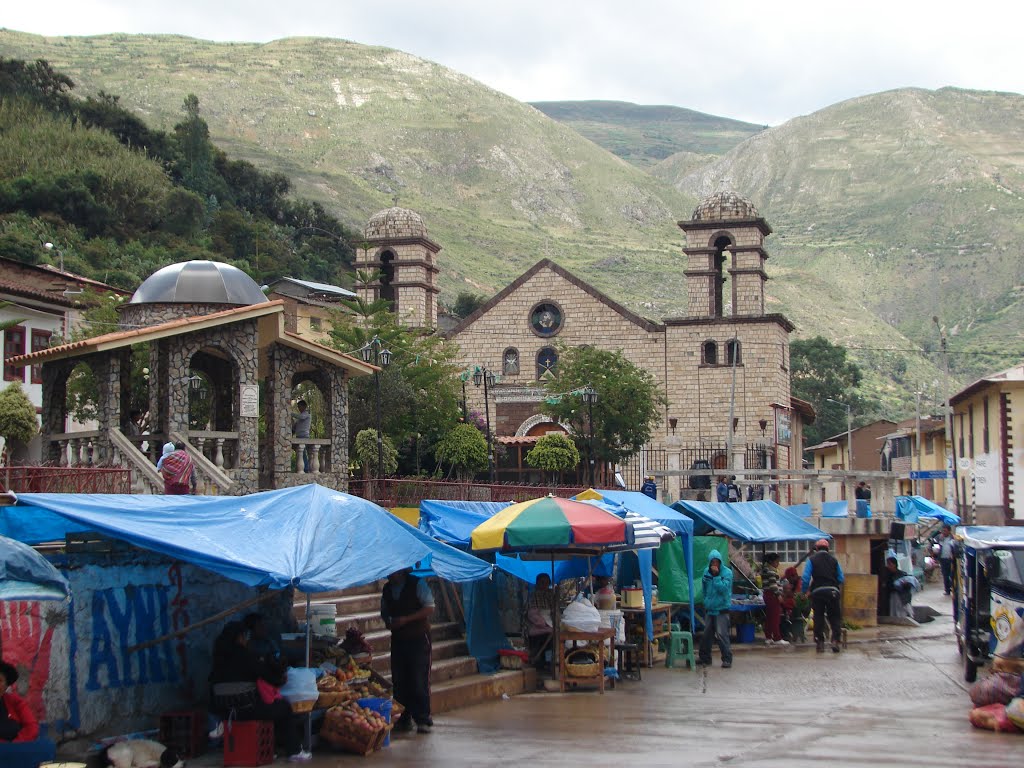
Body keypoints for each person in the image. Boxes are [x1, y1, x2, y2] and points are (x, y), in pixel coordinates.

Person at [209, 621, 307, 761]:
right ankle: (294, 751)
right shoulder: (246, 656)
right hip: (246, 710)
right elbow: (270, 677)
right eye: (245, 636)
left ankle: (267, 748)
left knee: (269, 706)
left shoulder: (218, 659)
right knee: (284, 708)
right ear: (239, 638)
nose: (246, 639)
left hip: (224, 712)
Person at [381, 568, 435, 734]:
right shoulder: (387, 589)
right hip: (398, 639)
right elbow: (384, 612)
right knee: (399, 680)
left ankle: (423, 718)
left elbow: (430, 607)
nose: (391, 575)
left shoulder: (417, 584)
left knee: (419, 679)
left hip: (418, 638)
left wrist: (406, 619)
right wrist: (390, 622)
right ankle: (403, 719)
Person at [802, 539, 844, 653]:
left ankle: (820, 642)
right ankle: (835, 640)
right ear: (828, 549)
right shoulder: (834, 560)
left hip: (818, 592)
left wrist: (804, 591)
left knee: (818, 617)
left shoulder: (811, 560)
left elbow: (805, 578)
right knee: (835, 617)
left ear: (816, 549)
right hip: (833, 592)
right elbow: (841, 578)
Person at [697, 549, 734, 668]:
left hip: (721, 609)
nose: (714, 564)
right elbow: (704, 588)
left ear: (720, 562)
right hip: (709, 608)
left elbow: (724, 589)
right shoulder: (705, 572)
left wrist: (716, 576)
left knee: (722, 635)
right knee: (707, 635)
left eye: (716, 562)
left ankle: (727, 659)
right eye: (712, 562)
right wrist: (706, 600)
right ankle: (705, 658)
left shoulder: (727, 573)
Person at [0, 659, 38, 743]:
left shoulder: (15, 702)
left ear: (6, 686)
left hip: (15, 751)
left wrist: (14, 745)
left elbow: (32, 727)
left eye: (0, 681)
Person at [526, 573, 555, 667]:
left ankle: (548, 661)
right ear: (537, 583)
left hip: (550, 622)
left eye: (546, 583)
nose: (544, 585)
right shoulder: (533, 595)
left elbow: (554, 610)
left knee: (551, 643)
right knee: (536, 641)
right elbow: (531, 613)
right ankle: (536, 661)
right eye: (542, 582)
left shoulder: (551, 594)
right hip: (535, 624)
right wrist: (540, 621)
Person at [760, 553, 788, 646]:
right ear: (772, 562)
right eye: (777, 562)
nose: (778, 564)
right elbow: (773, 585)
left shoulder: (765, 570)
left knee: (769, 617)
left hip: (767, 595)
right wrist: (778, 595)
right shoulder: (771, 571)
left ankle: (768, 637)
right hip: (772, 595)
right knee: (775, 617)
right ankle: (777, 637)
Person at [884, 556, 918, 621]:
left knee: (904, 612)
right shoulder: (888, 574)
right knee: (895, 612)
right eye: (888, 564)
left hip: (902, 597)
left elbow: (908, 586)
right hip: (894, 596)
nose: (888, 566)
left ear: (894, 565)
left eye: (890, 564)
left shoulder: (902, 574)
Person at [292, 399, 311, 472]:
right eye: (298, 407)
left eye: (299, 406)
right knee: (299, 453)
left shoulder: (307, 414)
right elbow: (295, 427)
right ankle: (300, 468)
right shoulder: (299, 418)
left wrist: (291, 414)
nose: (299, 408)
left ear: (304, 406)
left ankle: (306, 468)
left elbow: (301, 417)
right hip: (298, 436)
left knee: (302, 453)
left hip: (304, 436)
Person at [938, 524, 955, 595]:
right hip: (943, 559)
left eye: (945, 531)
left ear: (949, 531)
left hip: (951, 559)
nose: (943, 532)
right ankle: (947, 590)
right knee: (945, 575)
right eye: (943, 531)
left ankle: (953, 589)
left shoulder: (953, 538)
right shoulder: (940, 538)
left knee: (952, 574)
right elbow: (935, 546)